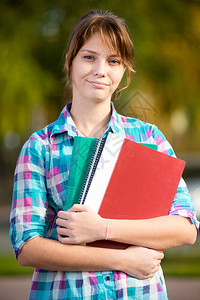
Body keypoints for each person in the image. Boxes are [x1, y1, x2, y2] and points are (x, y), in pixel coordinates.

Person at [10, 9, 199, 300]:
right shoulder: (40, 147)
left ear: (124, 72)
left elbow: (184, 228)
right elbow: (27, 247)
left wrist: (102, 228)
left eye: (113, 61)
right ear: (70, 62)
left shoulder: (148, 138)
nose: (101, 70)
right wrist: (120, 259)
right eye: (89, 57)